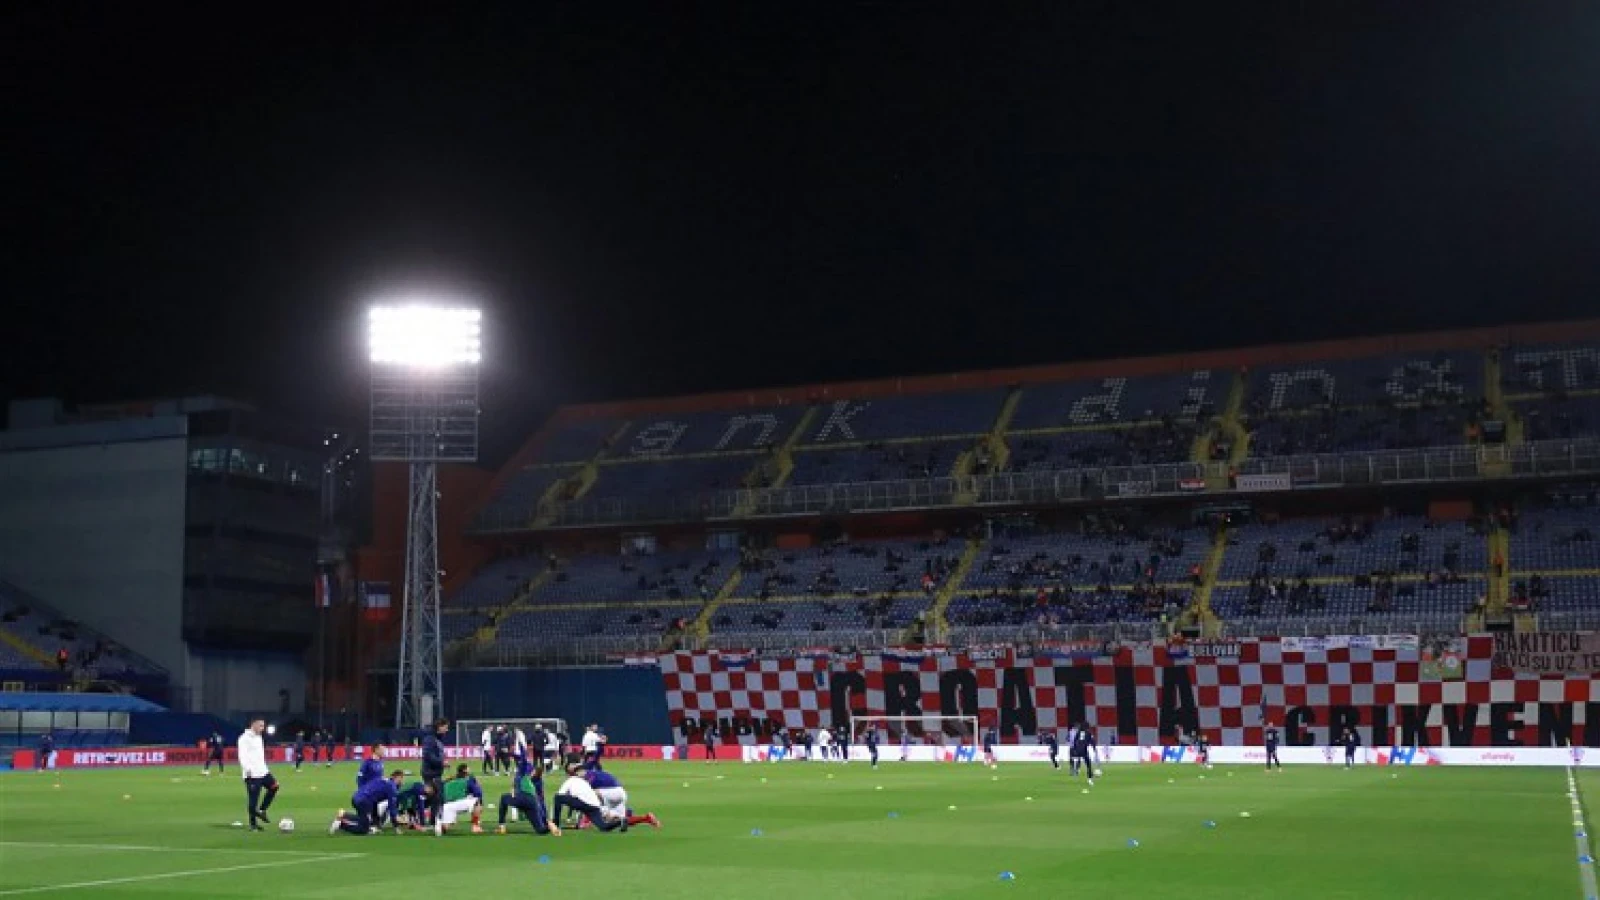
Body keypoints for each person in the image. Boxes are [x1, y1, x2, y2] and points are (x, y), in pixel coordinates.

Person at [578, 765, 660, 830]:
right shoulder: (596, 774)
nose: (577, 775)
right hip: (619, 794)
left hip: (613, 793)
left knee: (591, 798)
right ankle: (646, 818)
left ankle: (585, 822)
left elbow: (588, 796)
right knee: (618, 821)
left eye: (578, 772)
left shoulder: (588, 776)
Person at [496, 753, 559, 836]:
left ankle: (501, 825)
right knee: (540, 830)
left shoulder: (523, 772)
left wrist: (517, 750)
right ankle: (551, 827)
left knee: (504, 798)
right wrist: (546, 819)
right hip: (532, 802)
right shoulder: (533, 782)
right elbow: (540, 800)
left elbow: (523, 760)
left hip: (522, 798)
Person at [331, 769, 403, 836]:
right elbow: (392, 808)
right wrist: (396, 826)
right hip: (364, 802)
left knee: (365, 819)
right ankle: (341, 824)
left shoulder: (382, 779)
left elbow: (375, 802)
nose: (401, 781)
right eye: (401, 778)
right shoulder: (392, 787)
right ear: (397, 778)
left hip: (356, 797)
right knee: (363, 829)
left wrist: (376, 823)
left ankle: (344, 814)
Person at [553, 763, 622, 832]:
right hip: (594, 805)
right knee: (603, 827)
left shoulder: (570, 780)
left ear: (567, 775)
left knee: (557, 798)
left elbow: (560, 795)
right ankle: (620, 822)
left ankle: (555, 824)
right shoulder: (584, 782)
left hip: (583, 803)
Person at [238, 717, 280, 832]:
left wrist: (265, 768)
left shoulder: (258, 737)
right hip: (252, 774)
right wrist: (248, 771)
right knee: (253, 801)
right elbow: (242, 756)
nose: (263, 728)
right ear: (253, 724)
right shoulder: (244, 738)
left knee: (275, 786)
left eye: (263, 726)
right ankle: (253, 825)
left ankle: (262, 810)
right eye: (260, 725)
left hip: (263, 772)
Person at [421, 718, 449, 836]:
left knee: (435, 798)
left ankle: (432, 821)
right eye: (446, 727)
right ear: (440, 727)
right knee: (438, 797)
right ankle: (435, 823)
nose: (447, 729)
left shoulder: (438, 739)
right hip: (430, 773)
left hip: (436, 773)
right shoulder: (430, 739)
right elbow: (427, 755)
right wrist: (441, 762)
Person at [440, 763, 485, 834]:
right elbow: (478, 793)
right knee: (477, 802)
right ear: (465, 770)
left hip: (446, 805)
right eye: (468, 768)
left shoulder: (449, 780)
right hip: (459, 804)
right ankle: (475, 826)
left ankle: (440, 825)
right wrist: (478, 785)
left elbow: (441, 786)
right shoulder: (469, 779)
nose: (469, 769)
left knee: (445, 827)